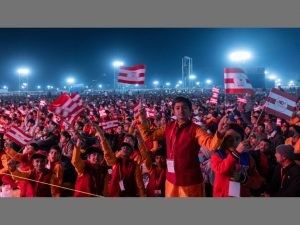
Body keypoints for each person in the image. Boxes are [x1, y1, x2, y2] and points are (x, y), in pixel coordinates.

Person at [137, 96, 228, 197]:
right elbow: (149, 136)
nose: (181, 111)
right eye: (177, 108)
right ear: (173, 111)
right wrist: (143, 119)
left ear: (190, 110)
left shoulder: (196, 130)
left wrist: (219, 133)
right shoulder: (168, 127)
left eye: (184, 108)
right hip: (171, 179)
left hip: (190, 181)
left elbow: (211, 145)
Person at [211, 124, 264, 197]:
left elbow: (257, 181)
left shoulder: (248, 157)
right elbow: (221, 169)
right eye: (228, 137)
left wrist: (245, 179)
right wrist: (236, 153)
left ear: (241, 140)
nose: (232, 141)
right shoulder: (218, 154)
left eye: (236, 138)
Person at [95, 124, 145, 197]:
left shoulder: (136, 159)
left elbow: (139, 183)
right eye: (125, 140)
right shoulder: (116, 156)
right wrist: (102, 138)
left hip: (128, 193)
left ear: (133, 146)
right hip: (113, 191)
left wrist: (142, 195)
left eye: (130, 140)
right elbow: (108, 153)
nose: (127, 142)